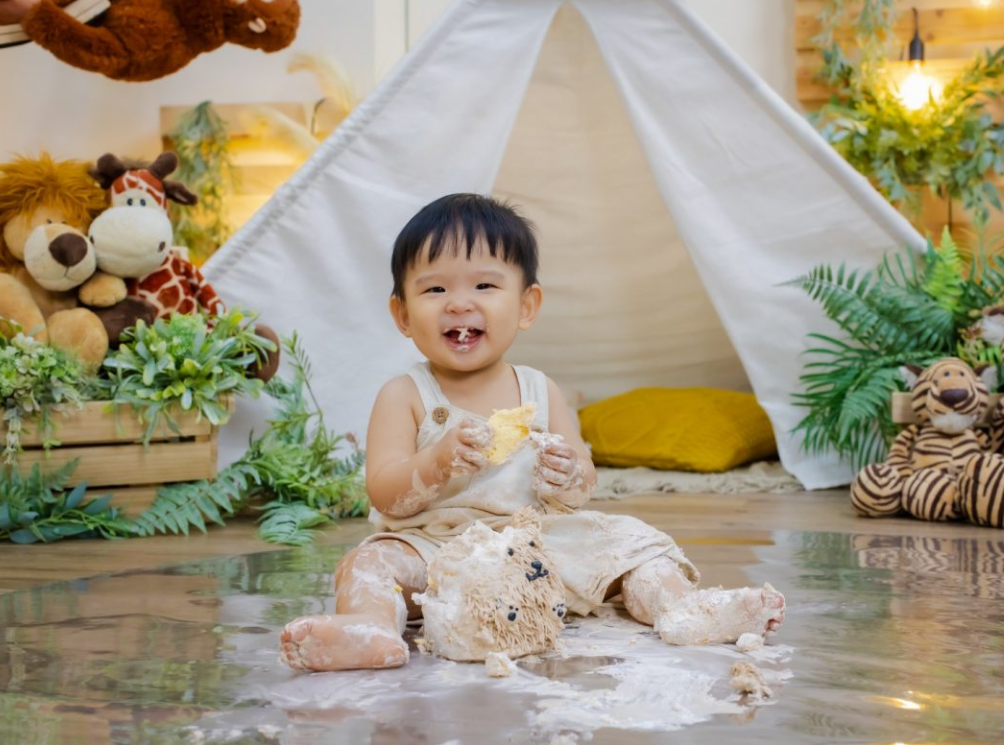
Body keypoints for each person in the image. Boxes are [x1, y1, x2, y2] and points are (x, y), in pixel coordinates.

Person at [280, 194, 785, 671]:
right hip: (436, 551)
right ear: (402, 314)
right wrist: (436, 465)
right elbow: (385, 493)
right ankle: (371, 629)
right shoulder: (405, 394)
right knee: (369, 562)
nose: (458, 304)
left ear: (526, 306)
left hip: (539, 549)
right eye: (435, 288)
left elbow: (583, 483)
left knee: (634, 545)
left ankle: (682, 607)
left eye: (484, 286)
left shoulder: (538, 390)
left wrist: (567, 475)